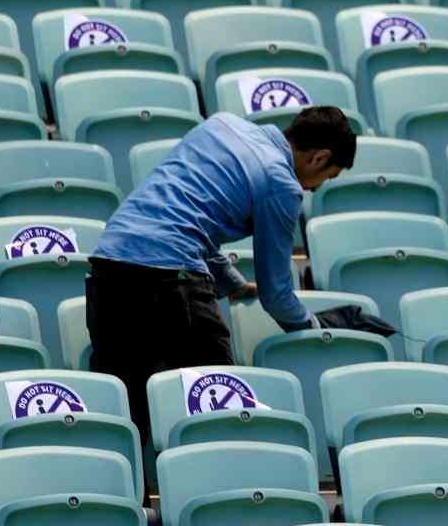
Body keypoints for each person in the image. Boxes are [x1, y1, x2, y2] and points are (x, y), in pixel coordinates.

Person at [85, 106, 356, 450]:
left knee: (124, 414)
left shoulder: (221, 125)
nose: (316, 188)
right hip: (169, 279)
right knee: (220, 405)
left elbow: (187, 214)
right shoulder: (282, 183)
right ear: (319, 158)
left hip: (108, 267)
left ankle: (123, 500)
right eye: (327, 177)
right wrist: (315, 330)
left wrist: (230, 282)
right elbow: (276, 293)